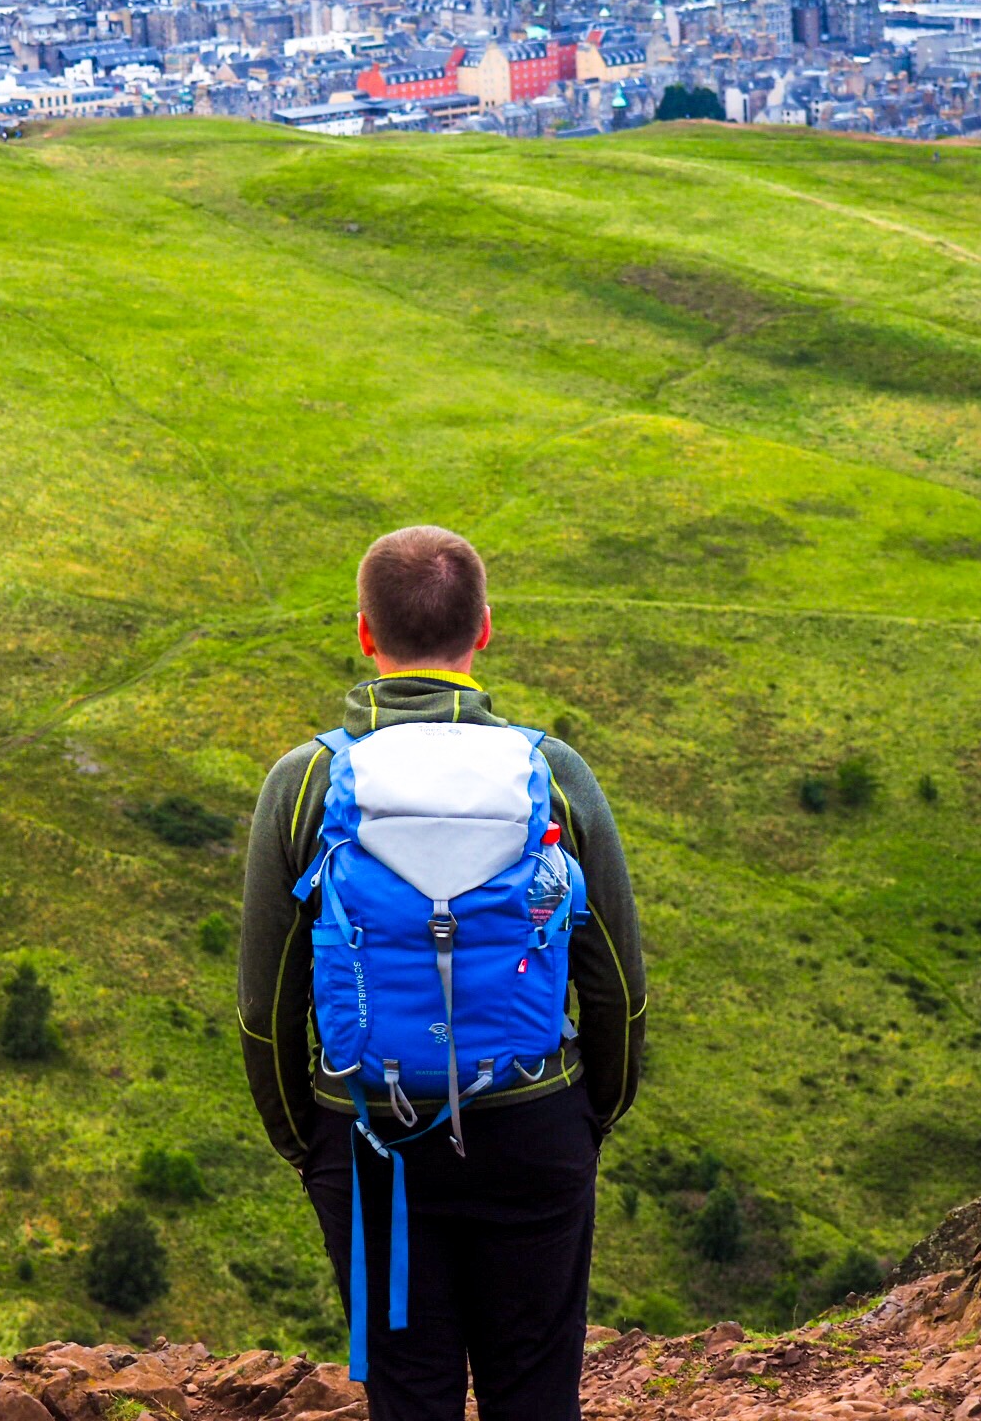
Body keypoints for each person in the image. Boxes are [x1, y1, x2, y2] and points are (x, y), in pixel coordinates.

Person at [238, 525, 648, 1421]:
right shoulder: (552, 770)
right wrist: (587, 1117)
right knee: (534, 1394)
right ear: (485, 629)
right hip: (536, 1126)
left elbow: (267, 1010)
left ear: (364, 633)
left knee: (410, 1397)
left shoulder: (306, 782)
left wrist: (310, 1143)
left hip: (368, 1138)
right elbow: (617, 981)